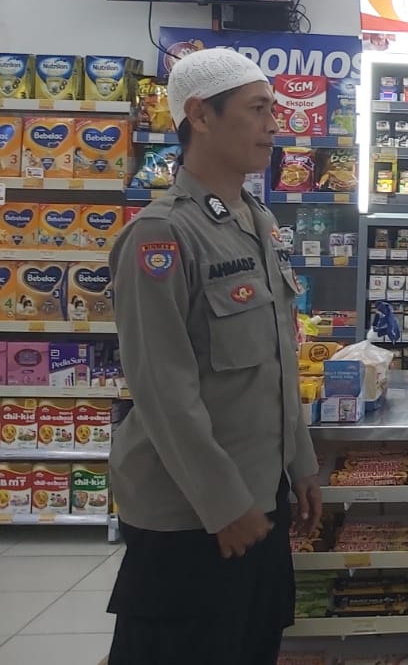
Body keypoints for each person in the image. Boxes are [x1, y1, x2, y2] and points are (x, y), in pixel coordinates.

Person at [106, 48, 320, 665]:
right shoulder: (161, 234)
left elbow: (277, 362)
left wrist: (301, 464)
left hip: (260, 498)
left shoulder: (256, 220)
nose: (274, 125)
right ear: (200, 116)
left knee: (252, 646)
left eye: (273, 110)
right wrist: (223, 504)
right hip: (193, 515)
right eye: (258, 110)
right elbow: (162, 389)